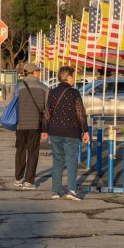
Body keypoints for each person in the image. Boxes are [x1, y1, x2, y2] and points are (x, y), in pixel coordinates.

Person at [43, 66, 89, 200]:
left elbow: (47, 112)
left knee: (57, 160)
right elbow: (80, 113)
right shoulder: (74, 93)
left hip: (55, 131)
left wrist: (45, 129)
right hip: (71, 131)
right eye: (73, 76)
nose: (74, 79)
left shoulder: (53, 92)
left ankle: (56, 191)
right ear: (68, 77)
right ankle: (71, 191)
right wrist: (85, 130)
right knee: (71, 161)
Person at [14, 63, 48, 190]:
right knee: (33, 152)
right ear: (34, 73)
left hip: (20, 124)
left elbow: (11, 104)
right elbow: (47, 109)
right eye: (38, 71)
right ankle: (28, 181)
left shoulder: (18, 87)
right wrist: (46, 128)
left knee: (20, 151)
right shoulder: (44, 88)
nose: (39, 73)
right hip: (35, 124)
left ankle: (18, 179)